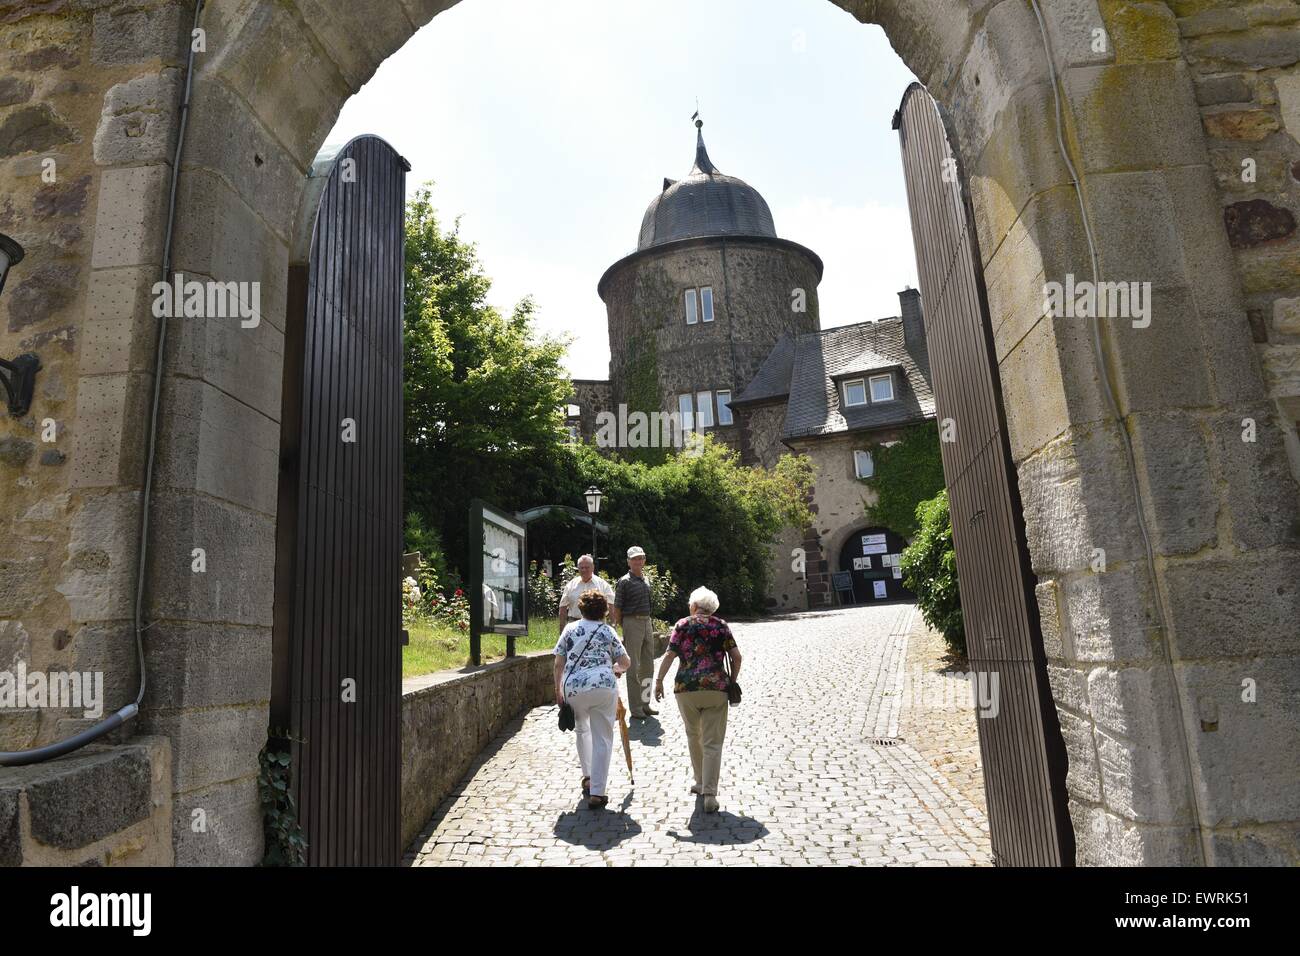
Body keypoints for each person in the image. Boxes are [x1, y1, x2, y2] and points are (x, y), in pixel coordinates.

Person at [654, 586, 741, 813]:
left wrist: (659, 680)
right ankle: (710, 794)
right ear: (712, 608)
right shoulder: (720, 626)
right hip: (716, 687)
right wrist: (732, 679)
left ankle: (700, 782)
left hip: (686, 688)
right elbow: (736, 656)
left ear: (694, 606)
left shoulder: (682, 625)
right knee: (713, 741)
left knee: (694, 734)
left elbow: (670, 654)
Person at [554, 589, 632, 810]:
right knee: (603, 738)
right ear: (604, 610)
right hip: (603, 687)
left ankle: (587, 776)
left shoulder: (570, 629)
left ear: (581, 608)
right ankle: (597, 791)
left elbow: (559, 662)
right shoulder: (607, 631)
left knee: (582, 729)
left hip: (574, 688)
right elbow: (625, 661)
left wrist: (558, 690)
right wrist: (615, 669)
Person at [612, 545, 655, 720]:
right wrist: (621, 626)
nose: (638, 561)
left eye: (641, 558)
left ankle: (645, 704)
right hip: (632, 622)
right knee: (633, 666)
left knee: (648, 666)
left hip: (647, 621)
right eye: (635, 558)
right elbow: (617, 607)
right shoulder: (624, 581)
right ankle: (636, 708)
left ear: (644, 560)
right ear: (629, 561)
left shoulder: (646, 579)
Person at [557, 554, 615, 627]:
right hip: (574, 625)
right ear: (578, 568)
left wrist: (613, 626)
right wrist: (562, 628)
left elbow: (611, 605)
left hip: (597, 625)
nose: (584, 570)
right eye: (582, 567)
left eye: (587, 567)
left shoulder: (602, 585)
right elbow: (563, 607)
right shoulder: (570, 585)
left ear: (593, 567)